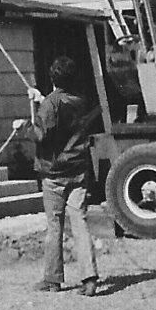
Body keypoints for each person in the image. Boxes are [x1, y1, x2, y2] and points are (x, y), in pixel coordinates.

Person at [28, 56, 103, 297]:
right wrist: (42, 101)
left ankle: (52, 279)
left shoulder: (51, 103)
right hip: (78, 171)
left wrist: (27, 122)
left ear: (52, 77)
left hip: (53, 174)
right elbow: (61, 113)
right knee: (80, 223)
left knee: (54, 226)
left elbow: (40, 134)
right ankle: (89, 278)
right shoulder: (81, 100)